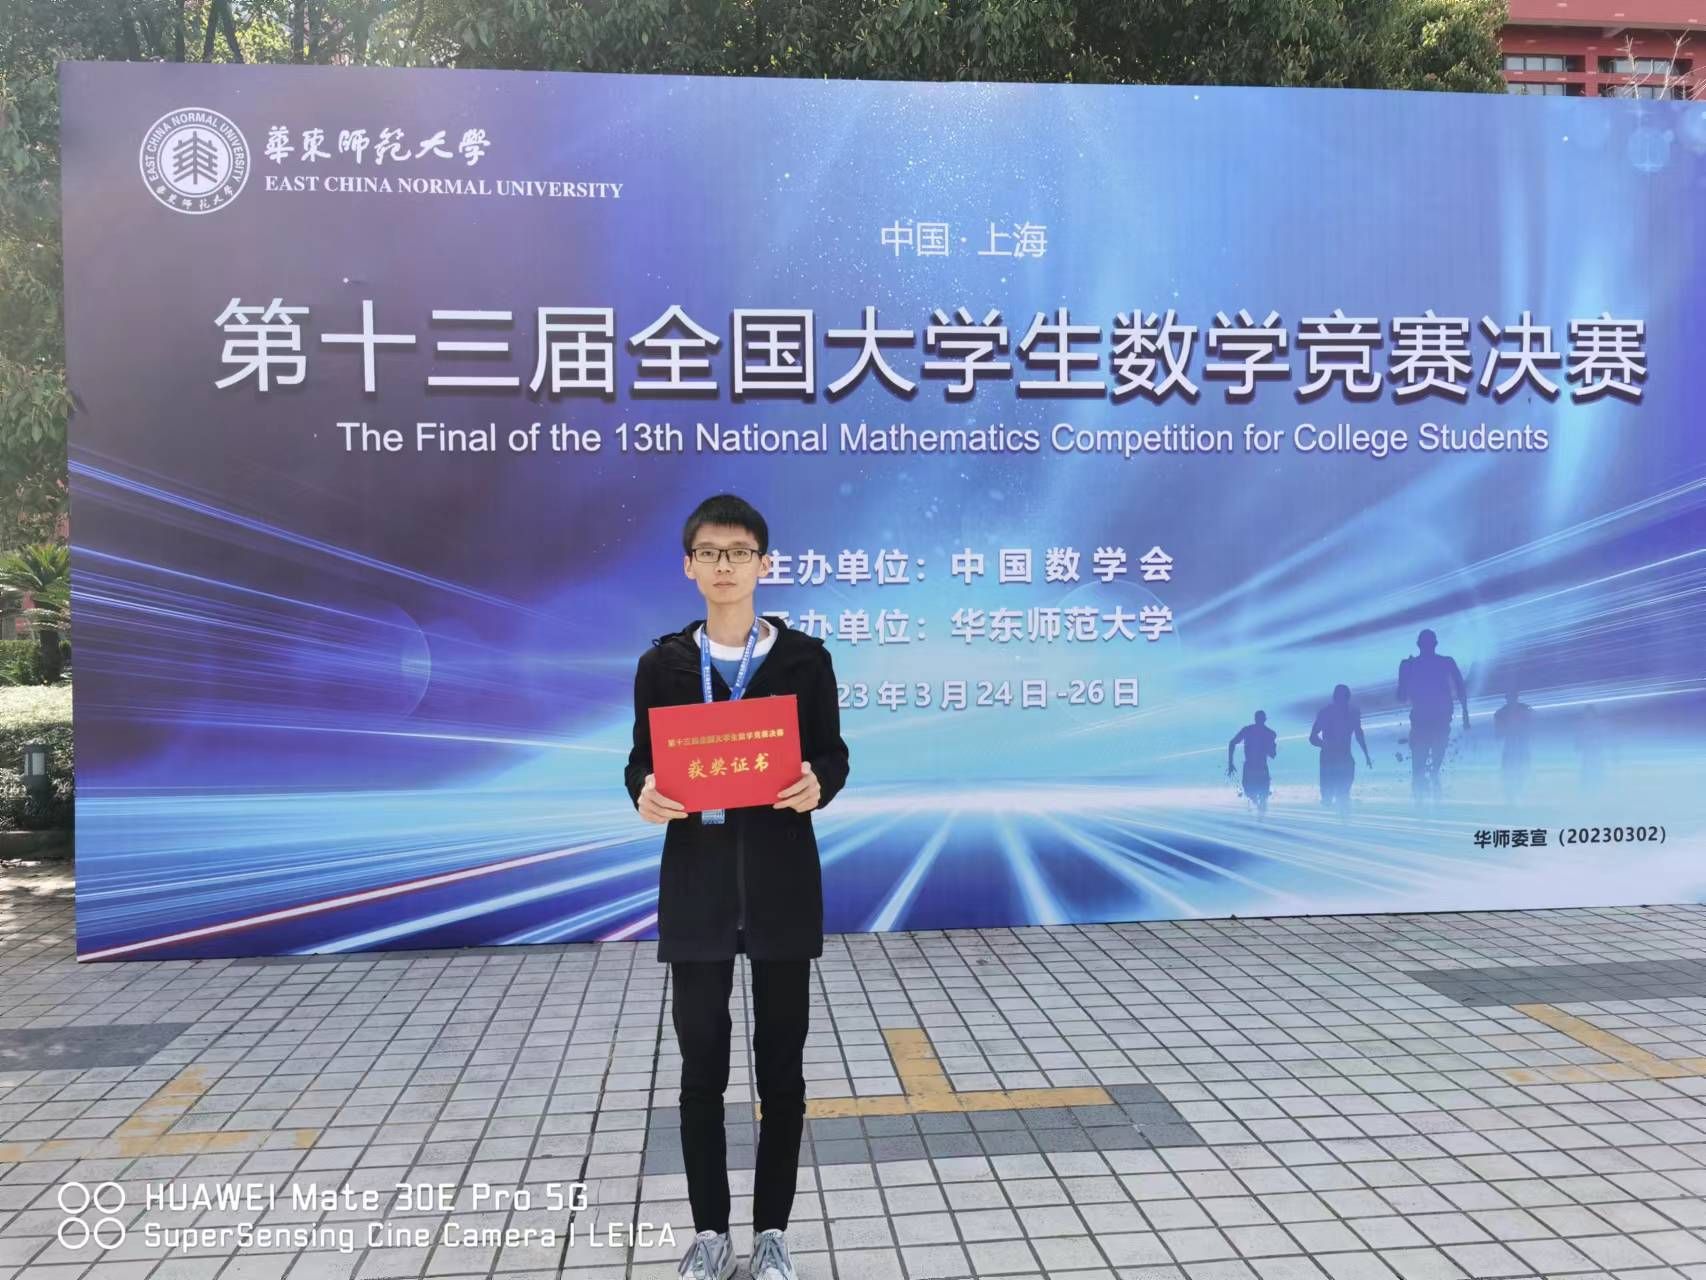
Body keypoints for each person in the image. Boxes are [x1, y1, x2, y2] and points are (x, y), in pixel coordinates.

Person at [625, 494, 850, 1280]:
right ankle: (711, 1234)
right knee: (700, 1071)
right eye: (711, 553)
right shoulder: (663, 666)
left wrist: (819, 783)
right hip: (698, 888)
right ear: (689, 566)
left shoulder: (804, 660)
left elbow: (833, 754)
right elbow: (640, 760)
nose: (725, 565)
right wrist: (644, 791)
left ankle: (773, 1233)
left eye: (740, 552)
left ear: (764, 564)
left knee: (782, 1068)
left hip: (782, 885)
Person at [1397, 628, 1469, 803]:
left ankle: (1422, 799)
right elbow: (1460, 687)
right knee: (1431, 764)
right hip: (1437, 718)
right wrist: (1465, 713)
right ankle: (1431, 795)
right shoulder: (1445, 662)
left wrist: (1406, 672)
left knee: (1421, 765)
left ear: (1418, 644)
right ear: (1435, 644)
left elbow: (1401, 696)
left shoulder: (1411, 665)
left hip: (1426, 719)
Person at [1309, 684, 1372, 815]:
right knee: (1330, 796)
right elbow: (1312, 737)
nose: (1342, 701)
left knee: (1342, 792)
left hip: (1340, 757)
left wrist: (1366, 755)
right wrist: (1324, 745)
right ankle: (1336, 809)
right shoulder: (1328, 713)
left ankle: (1341, 812)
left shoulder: (1350, 713)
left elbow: (1359, 734)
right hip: (1332, 758)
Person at [1226, 710, 1278, 817]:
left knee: (1253, 794)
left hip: (1252, 768)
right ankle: (1260, 811)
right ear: (1265, 719)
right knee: (1257, 795)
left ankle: (1259, 810)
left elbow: (1232, 743)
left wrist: (1230, 763)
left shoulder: (1249, 730)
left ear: (1255, 719)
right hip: (1259, 768)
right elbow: (1273, 754)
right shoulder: (1269, 733)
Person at [1492, 689, 1535, 803]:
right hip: (1516, 745)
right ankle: (1513, 794)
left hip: (1515, 745)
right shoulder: (1524, 710)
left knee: (1514, 769)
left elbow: (1498, 734)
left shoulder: (1501, 713)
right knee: (1516, 768)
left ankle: (1513, 794)